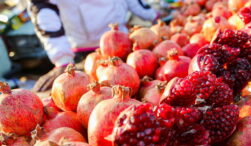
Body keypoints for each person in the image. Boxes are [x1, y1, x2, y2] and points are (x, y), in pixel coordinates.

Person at [28, 0, 160, 92]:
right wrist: (61, 59)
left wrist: (154, 16)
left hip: (125, 46)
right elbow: (43, 10)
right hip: (85, 53)